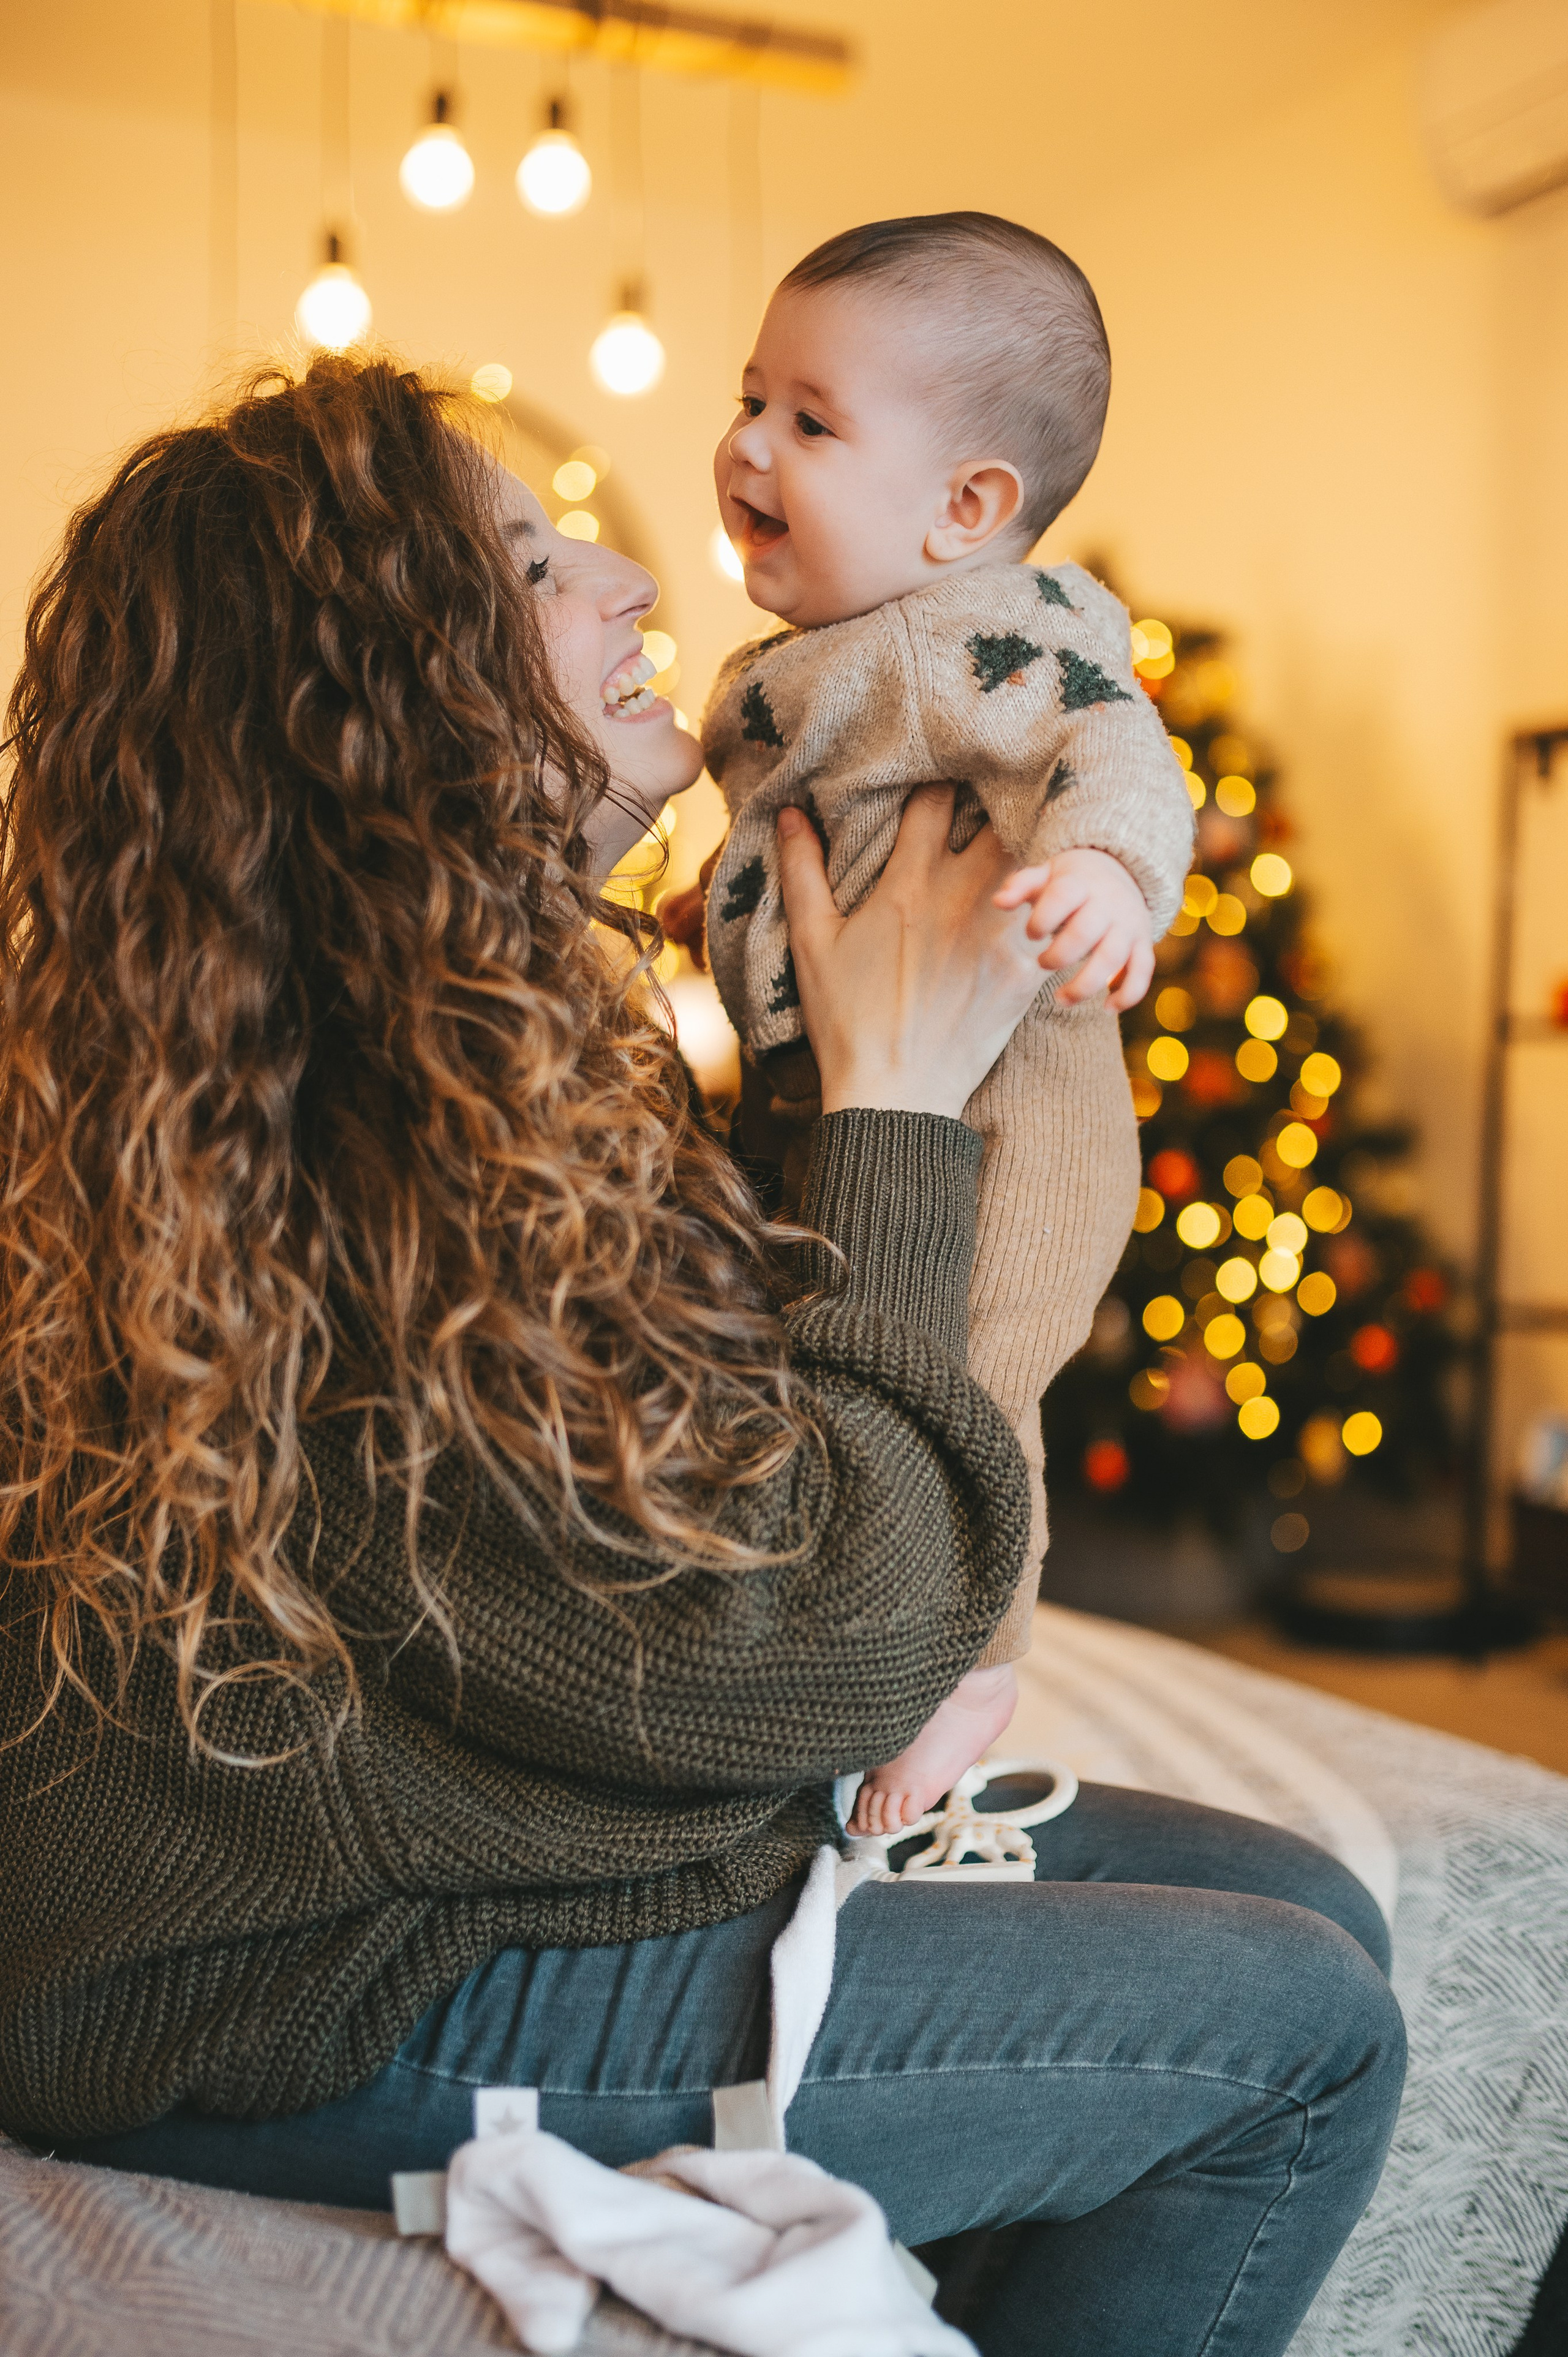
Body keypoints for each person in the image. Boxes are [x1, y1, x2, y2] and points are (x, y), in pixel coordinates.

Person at [0, 356, 1403, 2357]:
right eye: (530, 565)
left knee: (1312, 1901)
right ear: (365, 702)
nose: (634, 580)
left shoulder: (490, 1036)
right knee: (1299, 2033)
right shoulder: (360, 1137)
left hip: (502, 1826)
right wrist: (895, 1104)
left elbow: (730, 1471)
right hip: (290, 1982)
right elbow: (813, 1648)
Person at [667, 214, 1196, 1833]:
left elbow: (1117, 743)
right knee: (826, 1353)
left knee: (969, 1381)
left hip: (1020, 1115)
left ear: (966, 510)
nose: (748, 444)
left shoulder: (986, 633)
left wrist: (1107, 874)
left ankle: (975, 1659)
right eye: (751, 398)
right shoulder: (831, 653)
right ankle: (853, 1634)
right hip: (857, 1103)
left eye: (811, 422)